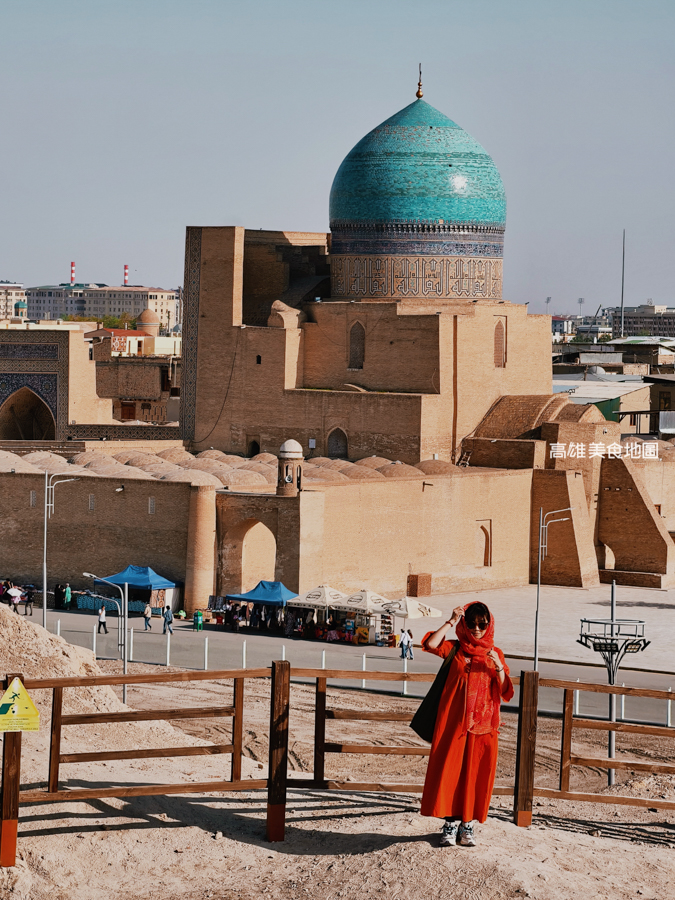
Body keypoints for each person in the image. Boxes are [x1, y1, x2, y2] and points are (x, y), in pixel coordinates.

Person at [420, 601, 513, 849]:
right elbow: (431, 644)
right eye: (471, 624)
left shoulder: (495, 653)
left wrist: (499, 667)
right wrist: (451, 621)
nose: (476, 629)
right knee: (451, 772)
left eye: (482, 624)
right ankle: (450, 824)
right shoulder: (456, 649)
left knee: (475, 775)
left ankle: (467, 825)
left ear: (489, 624)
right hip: (454, 725)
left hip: (483, 728)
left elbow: (505, 690)